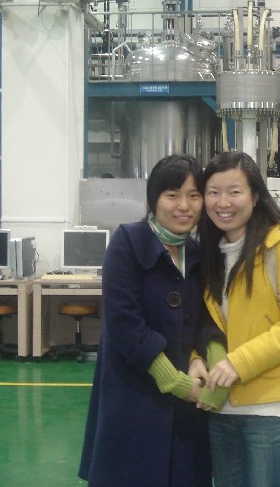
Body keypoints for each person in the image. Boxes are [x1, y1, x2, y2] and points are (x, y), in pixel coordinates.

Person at [79, 154, 222, 487]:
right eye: (172, 195)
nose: (184, 206)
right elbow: (124, 323)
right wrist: (173, 382)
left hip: (187, 406)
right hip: (134, 394)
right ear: (154, 199)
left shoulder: (197, 253)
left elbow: (206, 317)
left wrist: (206, 361)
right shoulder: (128, 243)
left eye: (193, 195)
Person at [197, 151, 280, 487]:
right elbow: (206, 324)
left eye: (234, 192)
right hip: (221, 407)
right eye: (213, 192)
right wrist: (196, 360)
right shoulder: (209, 254)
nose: (223, 202)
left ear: (254, 196)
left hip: (271, 410)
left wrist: (239, 363)